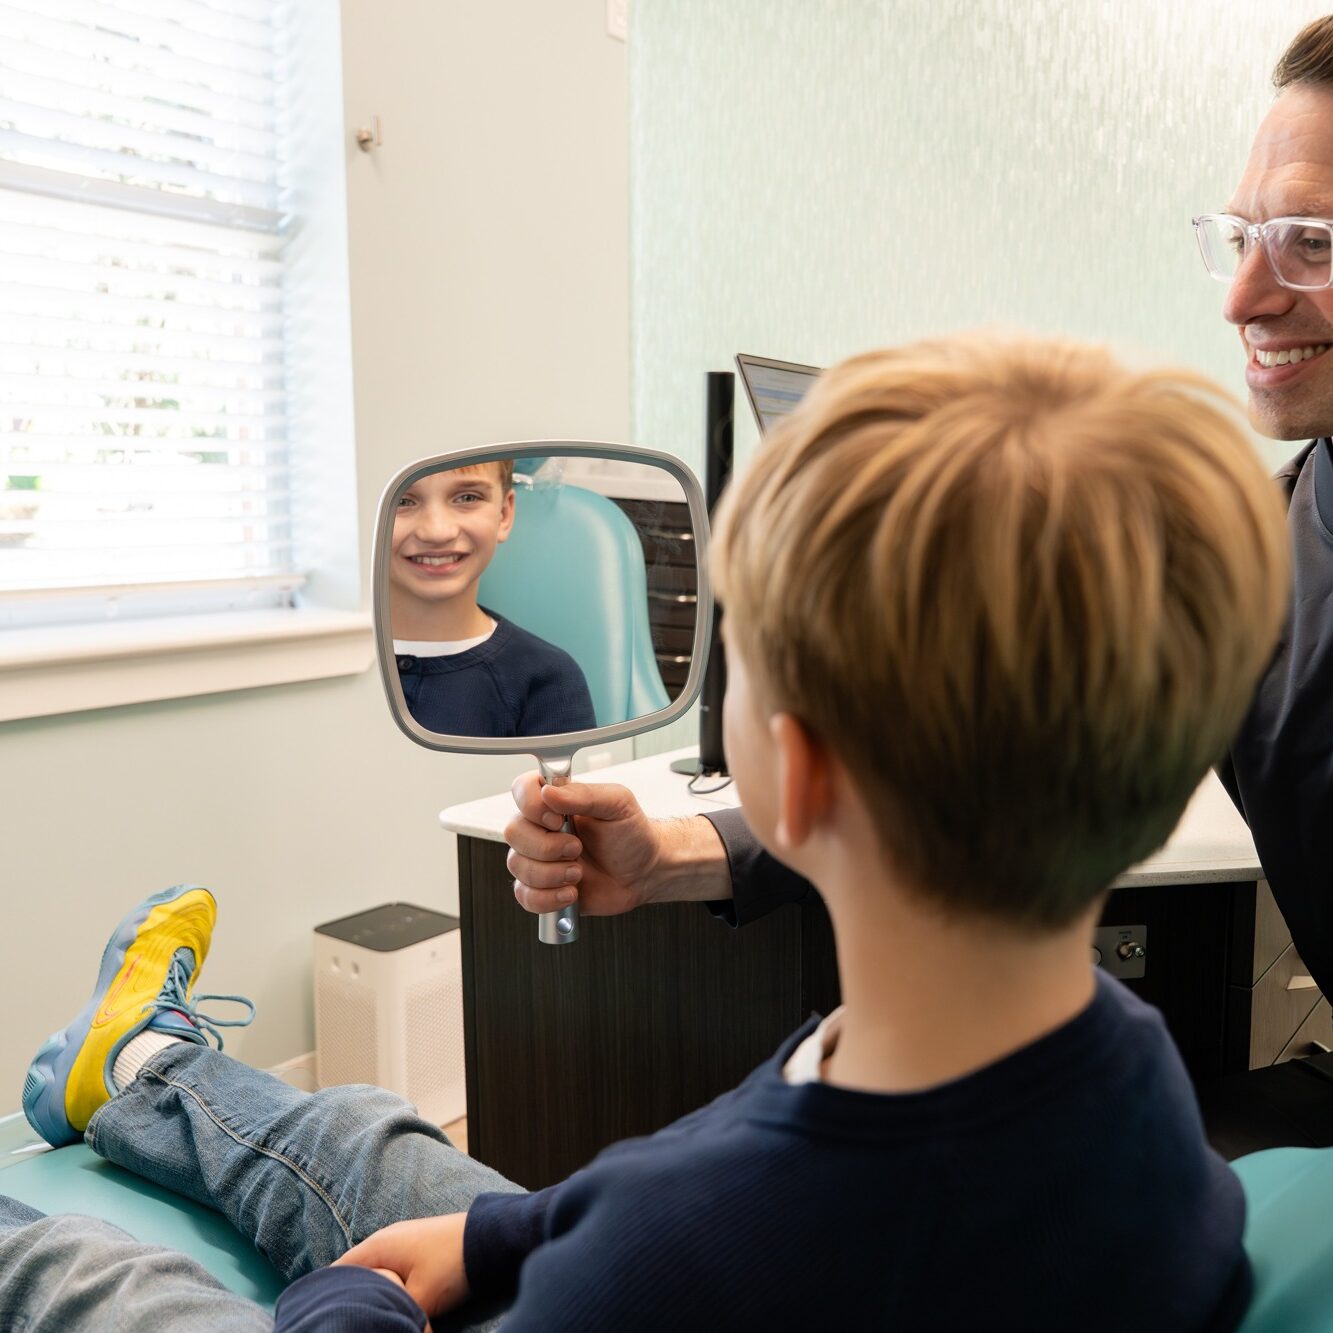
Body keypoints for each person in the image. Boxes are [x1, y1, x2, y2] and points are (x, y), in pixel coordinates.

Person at [14, 330, 1288, 1329]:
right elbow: (697, 1178)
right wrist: (500, 1235)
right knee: (371, 1138)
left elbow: (685, 1220)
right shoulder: (1128, 1064)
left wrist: (350, 1305)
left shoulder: (668, 1263)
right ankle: (139, 1065)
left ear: (784, 770)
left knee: (111, 1289)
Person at [509, 17, 1333, 1002]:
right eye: (1243, 237)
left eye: (1310, 244)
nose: (1243, 297)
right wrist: (676, 853)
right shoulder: (1269, 552)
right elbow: (1003, 768)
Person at [390, 460, 596, 738]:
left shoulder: (548, 680)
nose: (437, 531)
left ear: (504, 514)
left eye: (467, 497)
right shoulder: (324, 669)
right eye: (403, 500)